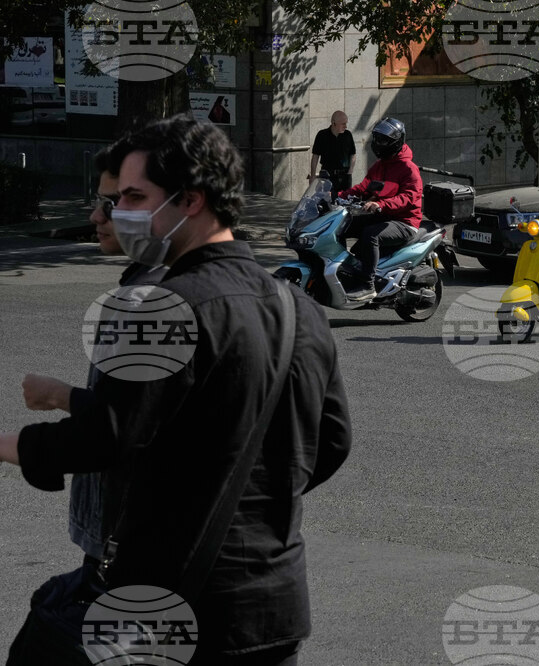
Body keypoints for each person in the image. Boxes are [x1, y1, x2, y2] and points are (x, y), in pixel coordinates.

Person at [1, 113, 352, 665]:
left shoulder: (158, 308)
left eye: (136, 197)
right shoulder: (298, 308)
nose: (121, 213)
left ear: (190, 200)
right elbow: (330, 444)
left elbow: (105, 438)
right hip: (272, 606)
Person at [21, 143, 167, 568]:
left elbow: (117, 428)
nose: (98, 217)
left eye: (118, 202)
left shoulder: (147, 302)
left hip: (132, 540)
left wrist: (57, 398)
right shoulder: (261, 295)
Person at [337, 116, 423, 301]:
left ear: (395, 142)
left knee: (371, 234)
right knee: (341, 225)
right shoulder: (380, 166)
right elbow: (364, 187)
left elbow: (409, 197)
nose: (378, 143)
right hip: (382, 215)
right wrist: (337, 196)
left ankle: (367, 286)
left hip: (404, 221)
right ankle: (342, 271)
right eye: (376, 139)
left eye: (383, 140)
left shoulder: (408, 168)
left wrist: (380, 204)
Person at [310, 110, 356, 191]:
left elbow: (353, 153)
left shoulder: (348, 135)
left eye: (346, 123)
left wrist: (350, 171)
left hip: (345, 176)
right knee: (325, 200)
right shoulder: (322, 135)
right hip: (327, 175)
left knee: (344, 201)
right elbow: (315, 156)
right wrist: (313, 175)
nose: (346, 126)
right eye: (343, 124)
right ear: (334, 123)